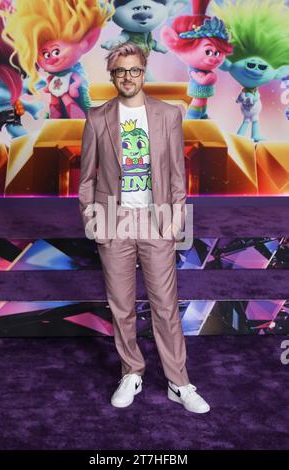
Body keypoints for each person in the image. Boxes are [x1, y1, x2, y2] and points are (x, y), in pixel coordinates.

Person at [79, 42, 210, 413]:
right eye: (121, 71)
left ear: (143, 72)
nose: (128, 77)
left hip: (157, 222)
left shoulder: (169, 115)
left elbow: (177, 176)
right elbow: (86, 178)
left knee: (165, 306)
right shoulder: (97, 117)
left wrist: (174, 222)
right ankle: (131, 371)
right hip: (113, 220)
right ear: (112, 75)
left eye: (134, 70)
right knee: (121, 306)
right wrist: (92, 221)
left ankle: (179, 382)